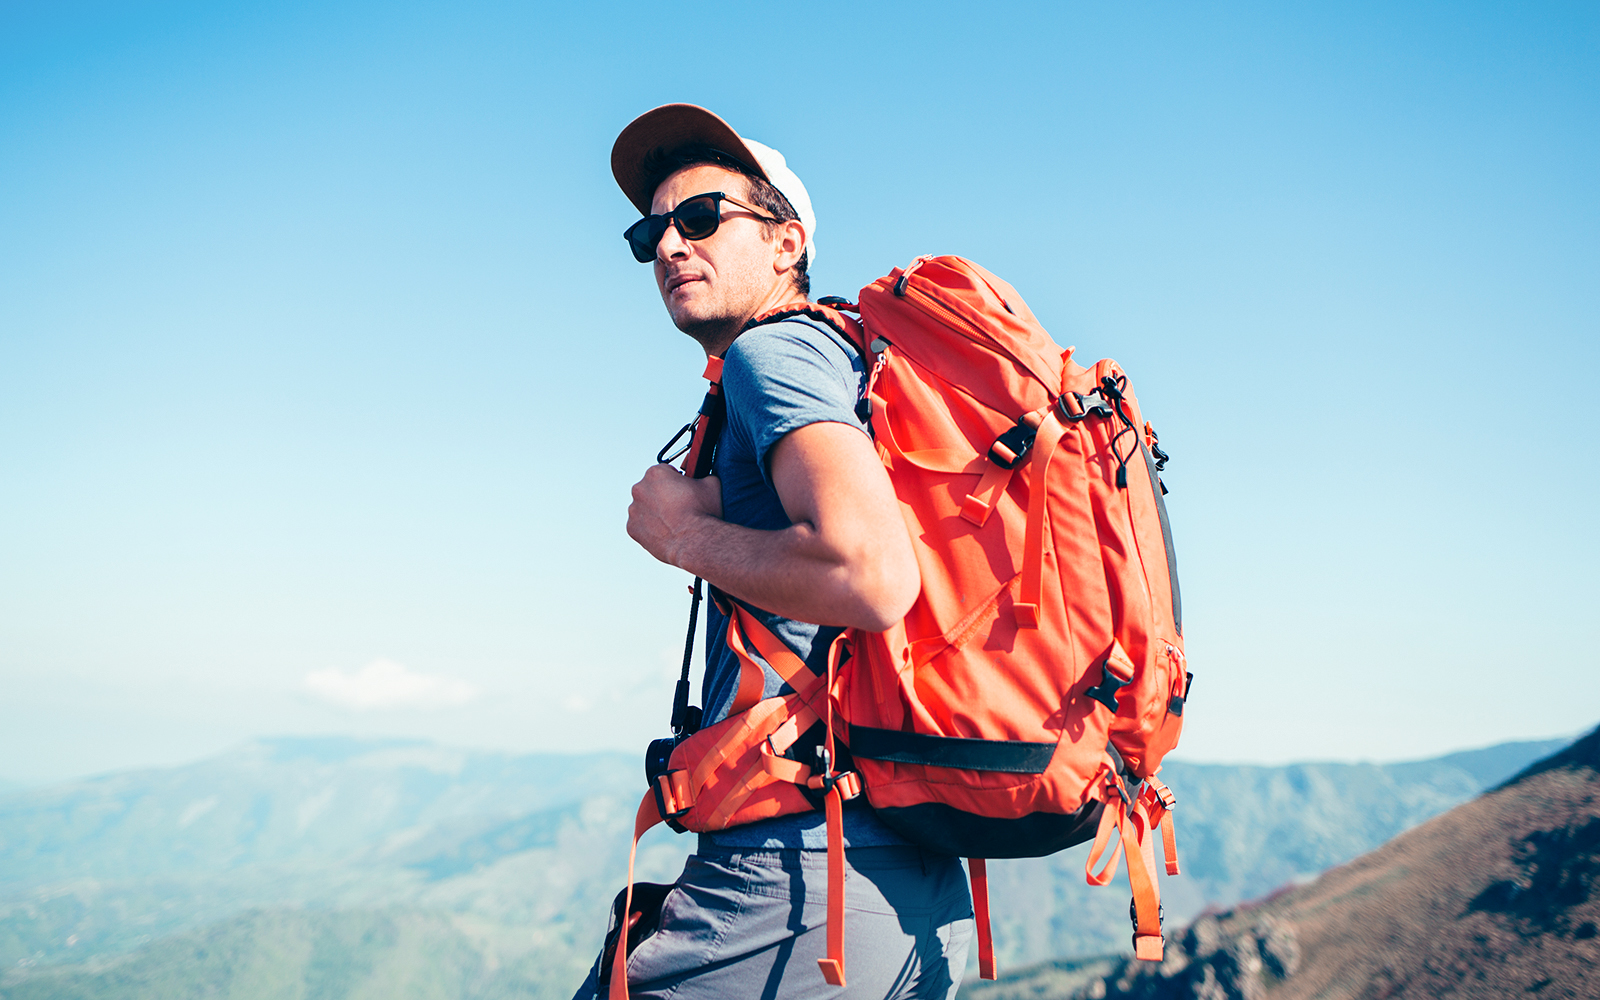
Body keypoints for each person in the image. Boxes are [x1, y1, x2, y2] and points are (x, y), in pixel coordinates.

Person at [571, 104, 974, 1000]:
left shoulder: (774, 359)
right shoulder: (842, 359)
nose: (672, 244)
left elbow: (870, 575)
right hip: (891, 872)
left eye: (703, 217)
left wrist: (683, 536)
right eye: (653, 231)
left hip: (795, 877)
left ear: (787, 244)